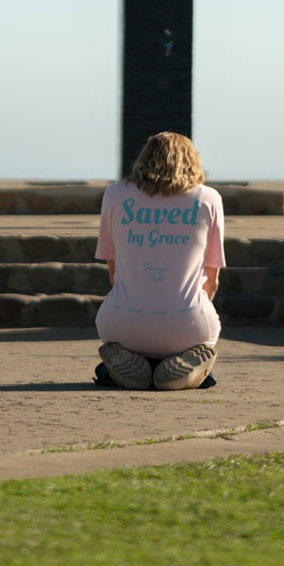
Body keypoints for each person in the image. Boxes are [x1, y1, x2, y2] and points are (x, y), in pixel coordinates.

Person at [95, 131, 225, 391]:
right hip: (188, 322)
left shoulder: (114, 195)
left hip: (121, 322)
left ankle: (134, 367)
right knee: (206, 365)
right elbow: (211, 282)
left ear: (144, 159)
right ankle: (187, 372)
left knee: (104, 369)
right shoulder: (209, 199)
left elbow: (113, 274)